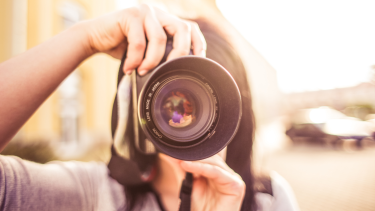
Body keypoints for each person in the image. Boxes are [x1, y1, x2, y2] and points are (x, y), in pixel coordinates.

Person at [0, 4, 299, 211]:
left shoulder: (268, 199)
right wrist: (85, 38)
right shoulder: (96, 194)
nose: (180, 113)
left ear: (236, 110)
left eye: (204, 98)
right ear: (137, 105)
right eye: (169, 97)